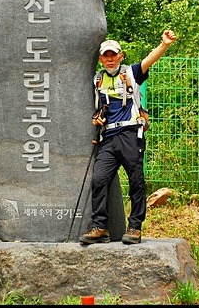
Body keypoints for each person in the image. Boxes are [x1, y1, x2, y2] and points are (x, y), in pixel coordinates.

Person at [78, 29, 177, 245]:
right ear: (100, 58)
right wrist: (97, 119)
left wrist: (164, 45)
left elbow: (148, 61)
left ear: (121, 56)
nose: (110, 59)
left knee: (136, 181)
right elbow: (98, 107)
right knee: (99, 179)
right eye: (106, 55)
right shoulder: (97, 80)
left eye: (113, 55)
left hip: (131, 133)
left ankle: (134, 227)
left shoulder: (131, 73)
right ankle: (100, 227)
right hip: (108, 137)